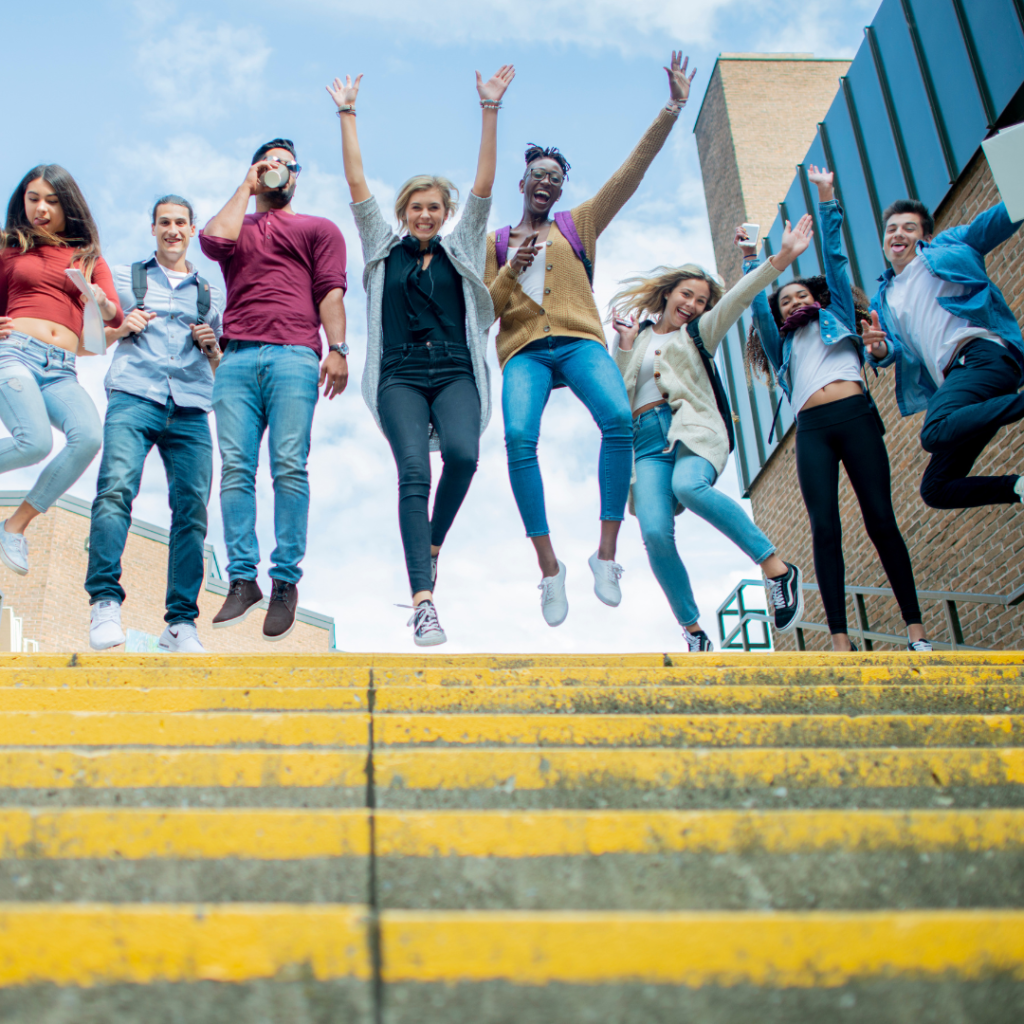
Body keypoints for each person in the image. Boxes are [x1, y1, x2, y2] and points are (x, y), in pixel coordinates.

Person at [485, 51, 696, 627]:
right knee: (519, 441)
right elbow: (485, 310)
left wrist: (672, 109)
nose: (547, 184)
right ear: (522, 182)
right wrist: (511, 268)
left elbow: (631, 174)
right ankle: (550, 569)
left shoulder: (580, 223)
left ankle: (605, 555)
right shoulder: (498, 240)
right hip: (524, 351)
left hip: (579, 342)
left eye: (556, 178)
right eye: (539, 176)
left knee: (618, 421)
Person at [329, 66, 513, 646]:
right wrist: (347, 115)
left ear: (445, 211)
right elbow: (356, 184)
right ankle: (424, 601)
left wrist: (490, 109)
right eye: (417, 206)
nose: (426, 214)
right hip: (399, 376)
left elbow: (484, 185)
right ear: (404, 209)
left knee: (462, 456)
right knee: (413, 471)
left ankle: (430, 543)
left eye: (435, 207)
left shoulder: (461, 245)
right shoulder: (383, 248)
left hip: (456, 368)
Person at [745, 168, 930, 653]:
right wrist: (751, 258)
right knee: (824, 529)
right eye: (785, 300)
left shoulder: (839, 318)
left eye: (801, 295)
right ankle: (841, 640)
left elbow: (835, 259)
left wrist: (825, 197)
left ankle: (916, 631)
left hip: (856, 419)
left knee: (880, 520)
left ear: (817, 298)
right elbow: (757, 305)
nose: (793, 302)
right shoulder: (780, 343)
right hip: (813, 430)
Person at [609, 218, 813, 652]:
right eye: (687, 294)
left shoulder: (698, 332)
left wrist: (780, 259)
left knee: (689, 484)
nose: (693, 303)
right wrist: (625, 344)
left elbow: (738, 298)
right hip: (645, 443)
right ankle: (694, 630)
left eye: (701, 300)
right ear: (668, 294)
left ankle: (777, 568)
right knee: (655, 531)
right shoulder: (636, 340)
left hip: (691, 429)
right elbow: (620, 392)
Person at [199, 138, 350, 642]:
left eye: (288, 164)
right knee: (236, 468)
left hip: (293, 355)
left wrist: (339, 348)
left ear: (298, 176)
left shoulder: (318, 229)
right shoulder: (235, 224)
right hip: (236, 357)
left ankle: (285, 581)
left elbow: (329, 289)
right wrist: (247, 183)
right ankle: (243, 579)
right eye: (270, 164)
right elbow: (212, 244)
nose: (278, 171)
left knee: (289, 463)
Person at [86, 195, 225, 653]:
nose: (172, 230)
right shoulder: (127, 278)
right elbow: (91, 340)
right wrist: (121, 328)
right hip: (134, 396)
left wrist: (211, 348)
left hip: (189, 407)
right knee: (115, 489)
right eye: (164, 222)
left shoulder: (212, 292)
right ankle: (104, 602)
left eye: (181, 223)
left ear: (191, 229)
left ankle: (180, 624)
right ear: (153, 228)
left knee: (192, 514)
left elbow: (224, 367)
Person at [861, 195, 1024, 512]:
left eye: (909, 228)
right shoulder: (883, 298)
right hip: (962, 387)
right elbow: (889, 348)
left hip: (981, 354)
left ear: (926, 237)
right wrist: (878, 349)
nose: (898, 234)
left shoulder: (945, 248)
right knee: (936, 488)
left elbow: (987, 226)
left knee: (933, 432)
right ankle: (1018, 487)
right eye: (891, 229)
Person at [0, 165, 119, 576]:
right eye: (33, 199)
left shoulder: (88, 258)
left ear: (69, 205)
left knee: (87, 438)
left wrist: (100, 303)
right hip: (14, 353)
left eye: (51, 200)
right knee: (32, 443)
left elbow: (112, 313)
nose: (41, 209)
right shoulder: (9, 248)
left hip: (61, 369)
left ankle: (14, 527)